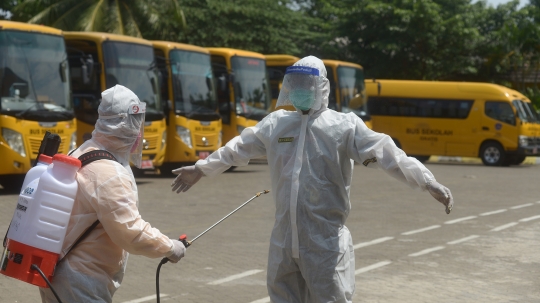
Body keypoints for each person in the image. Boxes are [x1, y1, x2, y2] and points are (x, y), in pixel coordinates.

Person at [171, 56, 454, 303]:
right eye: (294, 84)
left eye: (306, 85)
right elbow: (237, 148)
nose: (299, 90)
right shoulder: (277, 124)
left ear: (321, 87)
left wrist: (426, 180)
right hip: (283, 241)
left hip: (326, 245)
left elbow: (386, 152)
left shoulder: (343, 126)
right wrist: (201, 169)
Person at [40, 85, 185, 303]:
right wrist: (170, 247)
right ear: (128, 125)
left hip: (57, 271)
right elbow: (130, 231)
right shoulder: (109, 172)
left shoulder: (81, 151)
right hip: (81, 278)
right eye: (137, 123)